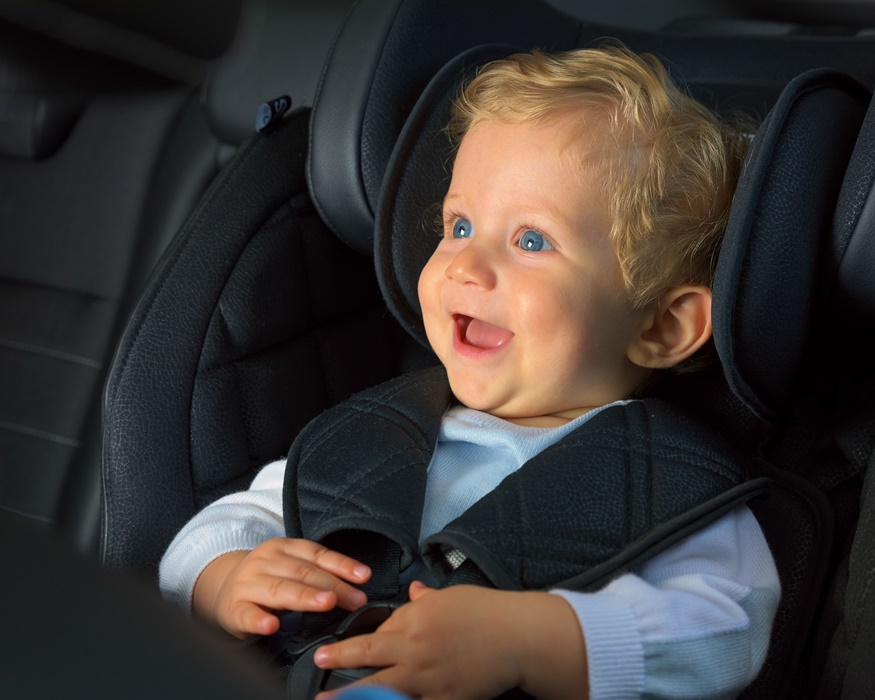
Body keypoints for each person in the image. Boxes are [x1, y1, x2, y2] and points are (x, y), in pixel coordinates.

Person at [160, 45, 780, 699]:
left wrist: (530, 641)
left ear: (660, 327)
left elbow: (724, 631)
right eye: (458, 225)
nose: (464, 265)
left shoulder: (670, 485)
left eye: (530, 240)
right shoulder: (371, 438)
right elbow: (219, 528)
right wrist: (227, 576)